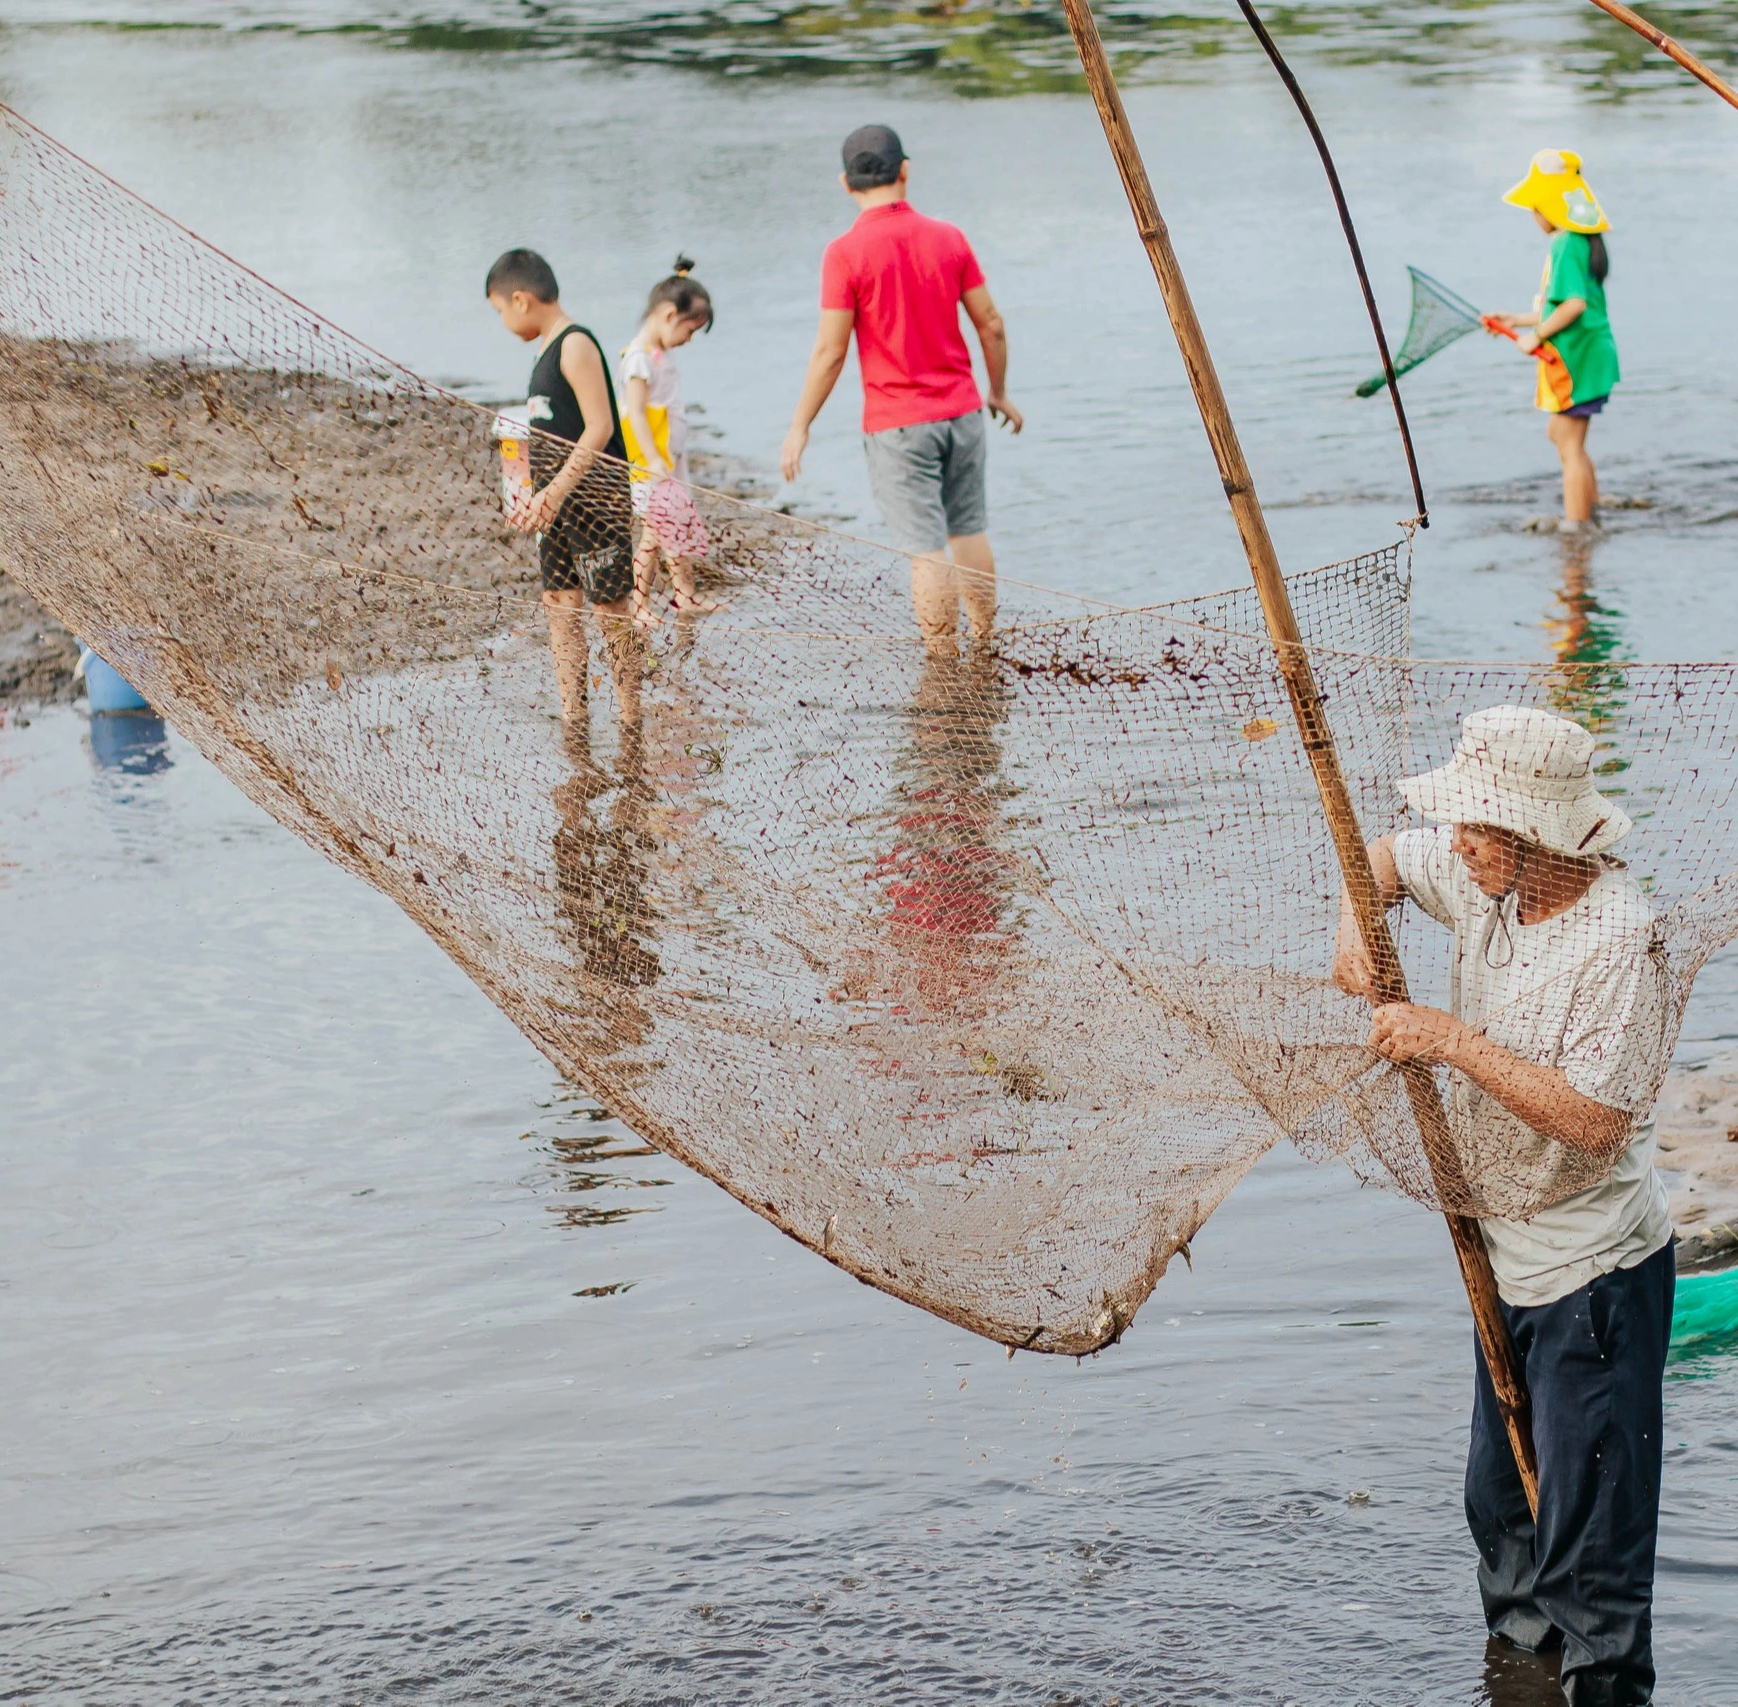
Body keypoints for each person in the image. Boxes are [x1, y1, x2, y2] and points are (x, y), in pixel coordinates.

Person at [1332, 705, 1673, 1707]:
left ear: (1537, 835)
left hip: (1591, 1274)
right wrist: (1356, 915)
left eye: (1479, 828)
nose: (1458, 844)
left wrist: (1449, 1040)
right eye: (1461, 825)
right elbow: (1385, 855)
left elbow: (1595, 1122)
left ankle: (1605, 1690)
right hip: (1502, 1257)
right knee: (1502, 1516)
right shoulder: (1485, 881)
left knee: (1590, 1548)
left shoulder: (1618, 942)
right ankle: (1518, 1682)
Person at [780, 123, 1022, 654]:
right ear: (905, 171)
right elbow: (992, 324)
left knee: (926, 549)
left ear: (846, 184)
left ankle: (942, 659)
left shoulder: (843, 253)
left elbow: (831, 351)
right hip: (962, 412)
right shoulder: (949, 237)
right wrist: (998, 391)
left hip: (899, 424)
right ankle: (985, 645)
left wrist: (801, 425)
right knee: (969, 530)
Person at [485, 247, 638, 729]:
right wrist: (532, 493)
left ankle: (632, 717)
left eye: (499, 311)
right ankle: (575, 713)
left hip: (595, 498)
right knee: (559, 603)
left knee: (610, 608)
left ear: (521, 299)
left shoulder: (575, 344)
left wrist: (555, 491)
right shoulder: (543, 352)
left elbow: (598, 428)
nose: (503, 321)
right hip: (555, 506)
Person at [1486, 151, 1620, 536]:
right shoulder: (1581, 239)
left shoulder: (1564, 244)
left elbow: (1574, 305)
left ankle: (1577, 527)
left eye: (1534, 207)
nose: (1532, 216)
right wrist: (1517, 320)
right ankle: (1590, 508)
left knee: (1569, 443)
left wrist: (1536, 336)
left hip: (1576, 358)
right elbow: (1565, 304)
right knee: (1564, 436)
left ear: (1552, 207)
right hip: (1589, 352)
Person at [619, 256, 720, 627]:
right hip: (652, 465)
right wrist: (652, 459)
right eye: (689, 331)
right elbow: (635, 413)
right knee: (653, 535)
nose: (688, 340)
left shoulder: (662, 354)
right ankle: (638, 603)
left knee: (676, 528)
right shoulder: (638, 360)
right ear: (667, 315)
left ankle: (685, 594)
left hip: (671, 459)